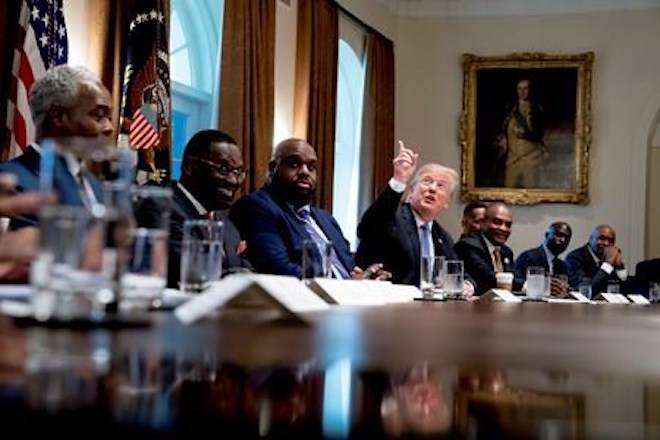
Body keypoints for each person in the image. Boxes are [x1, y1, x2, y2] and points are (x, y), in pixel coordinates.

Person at [230, 138, 387, 280]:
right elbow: (278, 269)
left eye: (311, 167)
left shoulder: (326, 219)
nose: (305, 172)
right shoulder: (257, 207)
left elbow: (350, 267)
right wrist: (346, 285)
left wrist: (367, 276)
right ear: (273, 168)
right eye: (294, 164)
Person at [355, 142, 474, 295]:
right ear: (411, 191)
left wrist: (467, 284)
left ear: (447, 203)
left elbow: (457, 272)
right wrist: (399, 180)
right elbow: (367, 228)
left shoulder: (443, 237)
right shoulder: (392, 217)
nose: (432, 189)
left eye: (440, 186)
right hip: (387, 306)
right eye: (427, 181)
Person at [0, 65, 112, 226]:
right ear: (58, 116)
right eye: (98, 115)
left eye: (110, 118)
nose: (109, 127)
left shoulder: (95, 186)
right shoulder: (9, 182)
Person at [152, 129, 252, 288]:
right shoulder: (160, 206)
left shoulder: (225, 222)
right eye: (223, 169)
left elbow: (249, 269)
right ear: (190, 166)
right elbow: (193, 272)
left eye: (239, 172)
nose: (234, 181)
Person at [454, 202, 524, 295]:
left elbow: (514, 276)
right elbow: (488, 277)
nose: (503, 228)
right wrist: (525, 285)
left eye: (508, 225)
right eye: (497, 222)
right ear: (483, 223)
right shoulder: (469, 245)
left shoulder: (506, 251)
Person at [497, 78, 547, 188]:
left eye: (525, 89)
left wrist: (523, 134)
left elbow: (538, 134)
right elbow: (502, 130)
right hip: (512, 160)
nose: (522, 92)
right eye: (519, 89)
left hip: (531, 160)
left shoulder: (537, 109)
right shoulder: (510, 109)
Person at [566, 225, 628, 293]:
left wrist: (620, 267)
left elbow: (624, 291)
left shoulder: (610, 257)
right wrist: (608, 264)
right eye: (602, 238)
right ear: (590, 239)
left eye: (611, 240)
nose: (606, 243)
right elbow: (586, 289)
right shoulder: (574, 258)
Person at [514, 222, 572, 295]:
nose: (563, 240)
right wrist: (543, 286)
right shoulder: (528, 257)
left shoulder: (562, 265)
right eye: (559, 235)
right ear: (547, 235)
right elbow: (516, 282)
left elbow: (571, 286)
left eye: (567, 238)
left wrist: (566, 288)